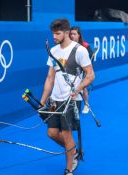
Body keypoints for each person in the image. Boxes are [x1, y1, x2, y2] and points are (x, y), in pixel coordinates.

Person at [40, 19, 95, 175]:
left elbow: (91, 75)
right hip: (55, 99)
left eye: (57, 33)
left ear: (66, 32)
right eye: (53, 33)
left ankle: (69, 169)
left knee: (66, 133)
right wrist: (42, 100)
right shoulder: (54, 51)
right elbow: (50, 78)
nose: (54, 37)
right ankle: (73, 150)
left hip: (71, 100)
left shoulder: (79, 50)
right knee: (51, 133)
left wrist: (78, 88)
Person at [70, 26, 93, 114]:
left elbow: (89, 61)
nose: (72, 36)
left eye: (74, 34)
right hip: (72, 70)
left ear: (79, 35)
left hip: (83, 69)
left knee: (83, 87)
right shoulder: (68, 45)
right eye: (71, 34)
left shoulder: (85, 46)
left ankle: (86, 104)